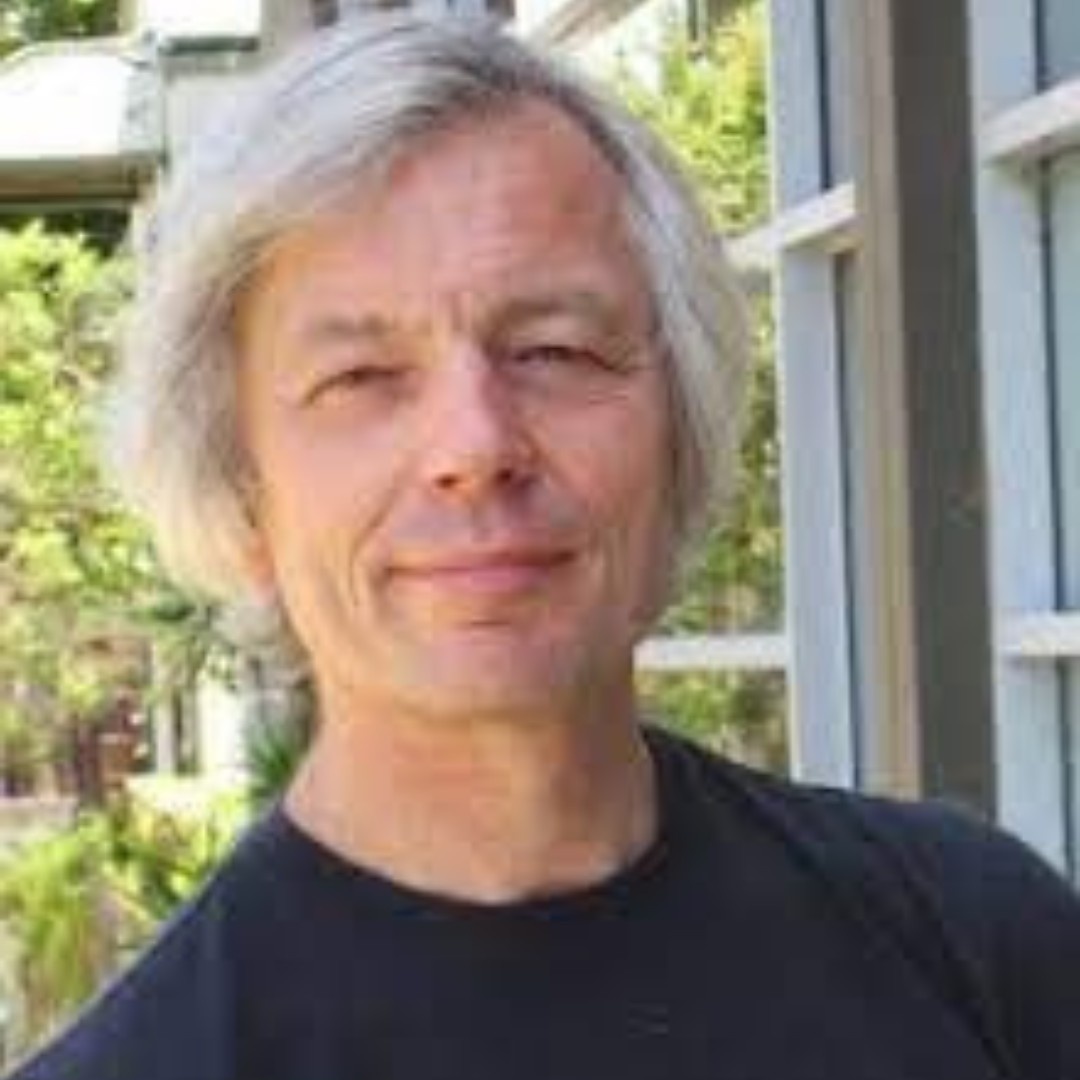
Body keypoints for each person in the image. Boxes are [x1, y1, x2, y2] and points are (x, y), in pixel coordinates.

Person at [10, 13, 1080, 1080]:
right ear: (242, 491)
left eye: (554, 351)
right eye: (361, 378)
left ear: (682, 431)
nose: (475, 447)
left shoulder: (981, 946)